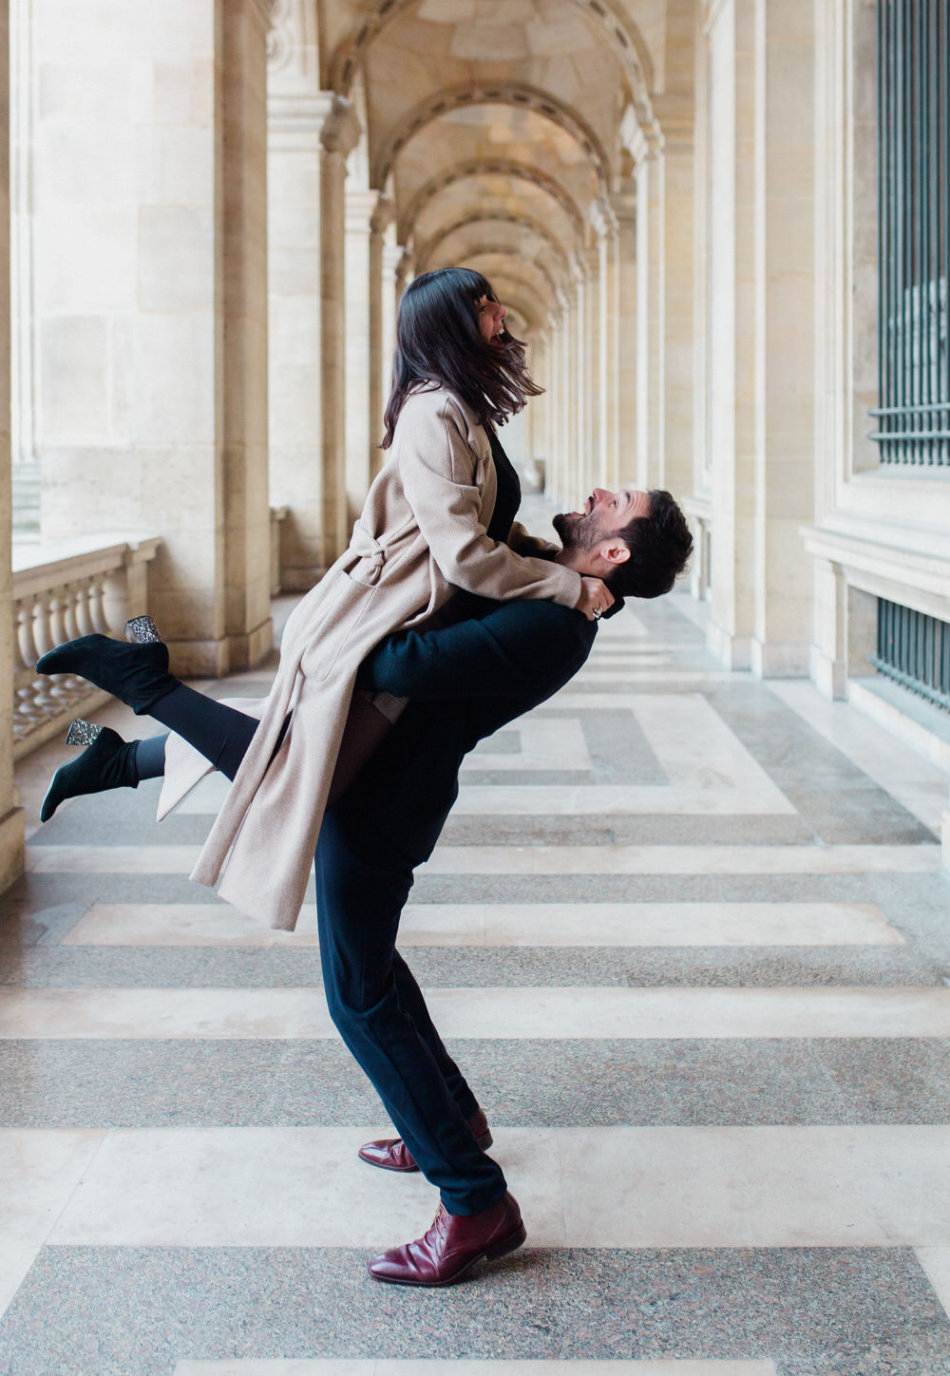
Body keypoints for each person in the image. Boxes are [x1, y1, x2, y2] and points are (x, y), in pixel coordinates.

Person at [35, 485, 694, 1287]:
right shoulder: (539, 580)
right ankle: (453, 1123)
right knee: (369, 966)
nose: (597, 493)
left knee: (357, 995)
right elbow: (482, 504)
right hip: (383, 775)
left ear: (616, 551)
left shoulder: (552, 620)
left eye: (615, 500)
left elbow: (397, 659)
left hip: (384, 796)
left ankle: (474, 1198)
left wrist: (372, 600)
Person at [35, 268, 613, 932]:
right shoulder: (433, 412)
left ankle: (119, 755)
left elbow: (482, 525)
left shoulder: (464, 408)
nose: (499, 314)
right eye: (484, 306)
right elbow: (461, 554)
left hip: (401, 610)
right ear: (450, 326)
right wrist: (567, 583)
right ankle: (147, 687)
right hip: (370, 615)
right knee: (309, 769)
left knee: (295, 750)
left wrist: (541, 554)